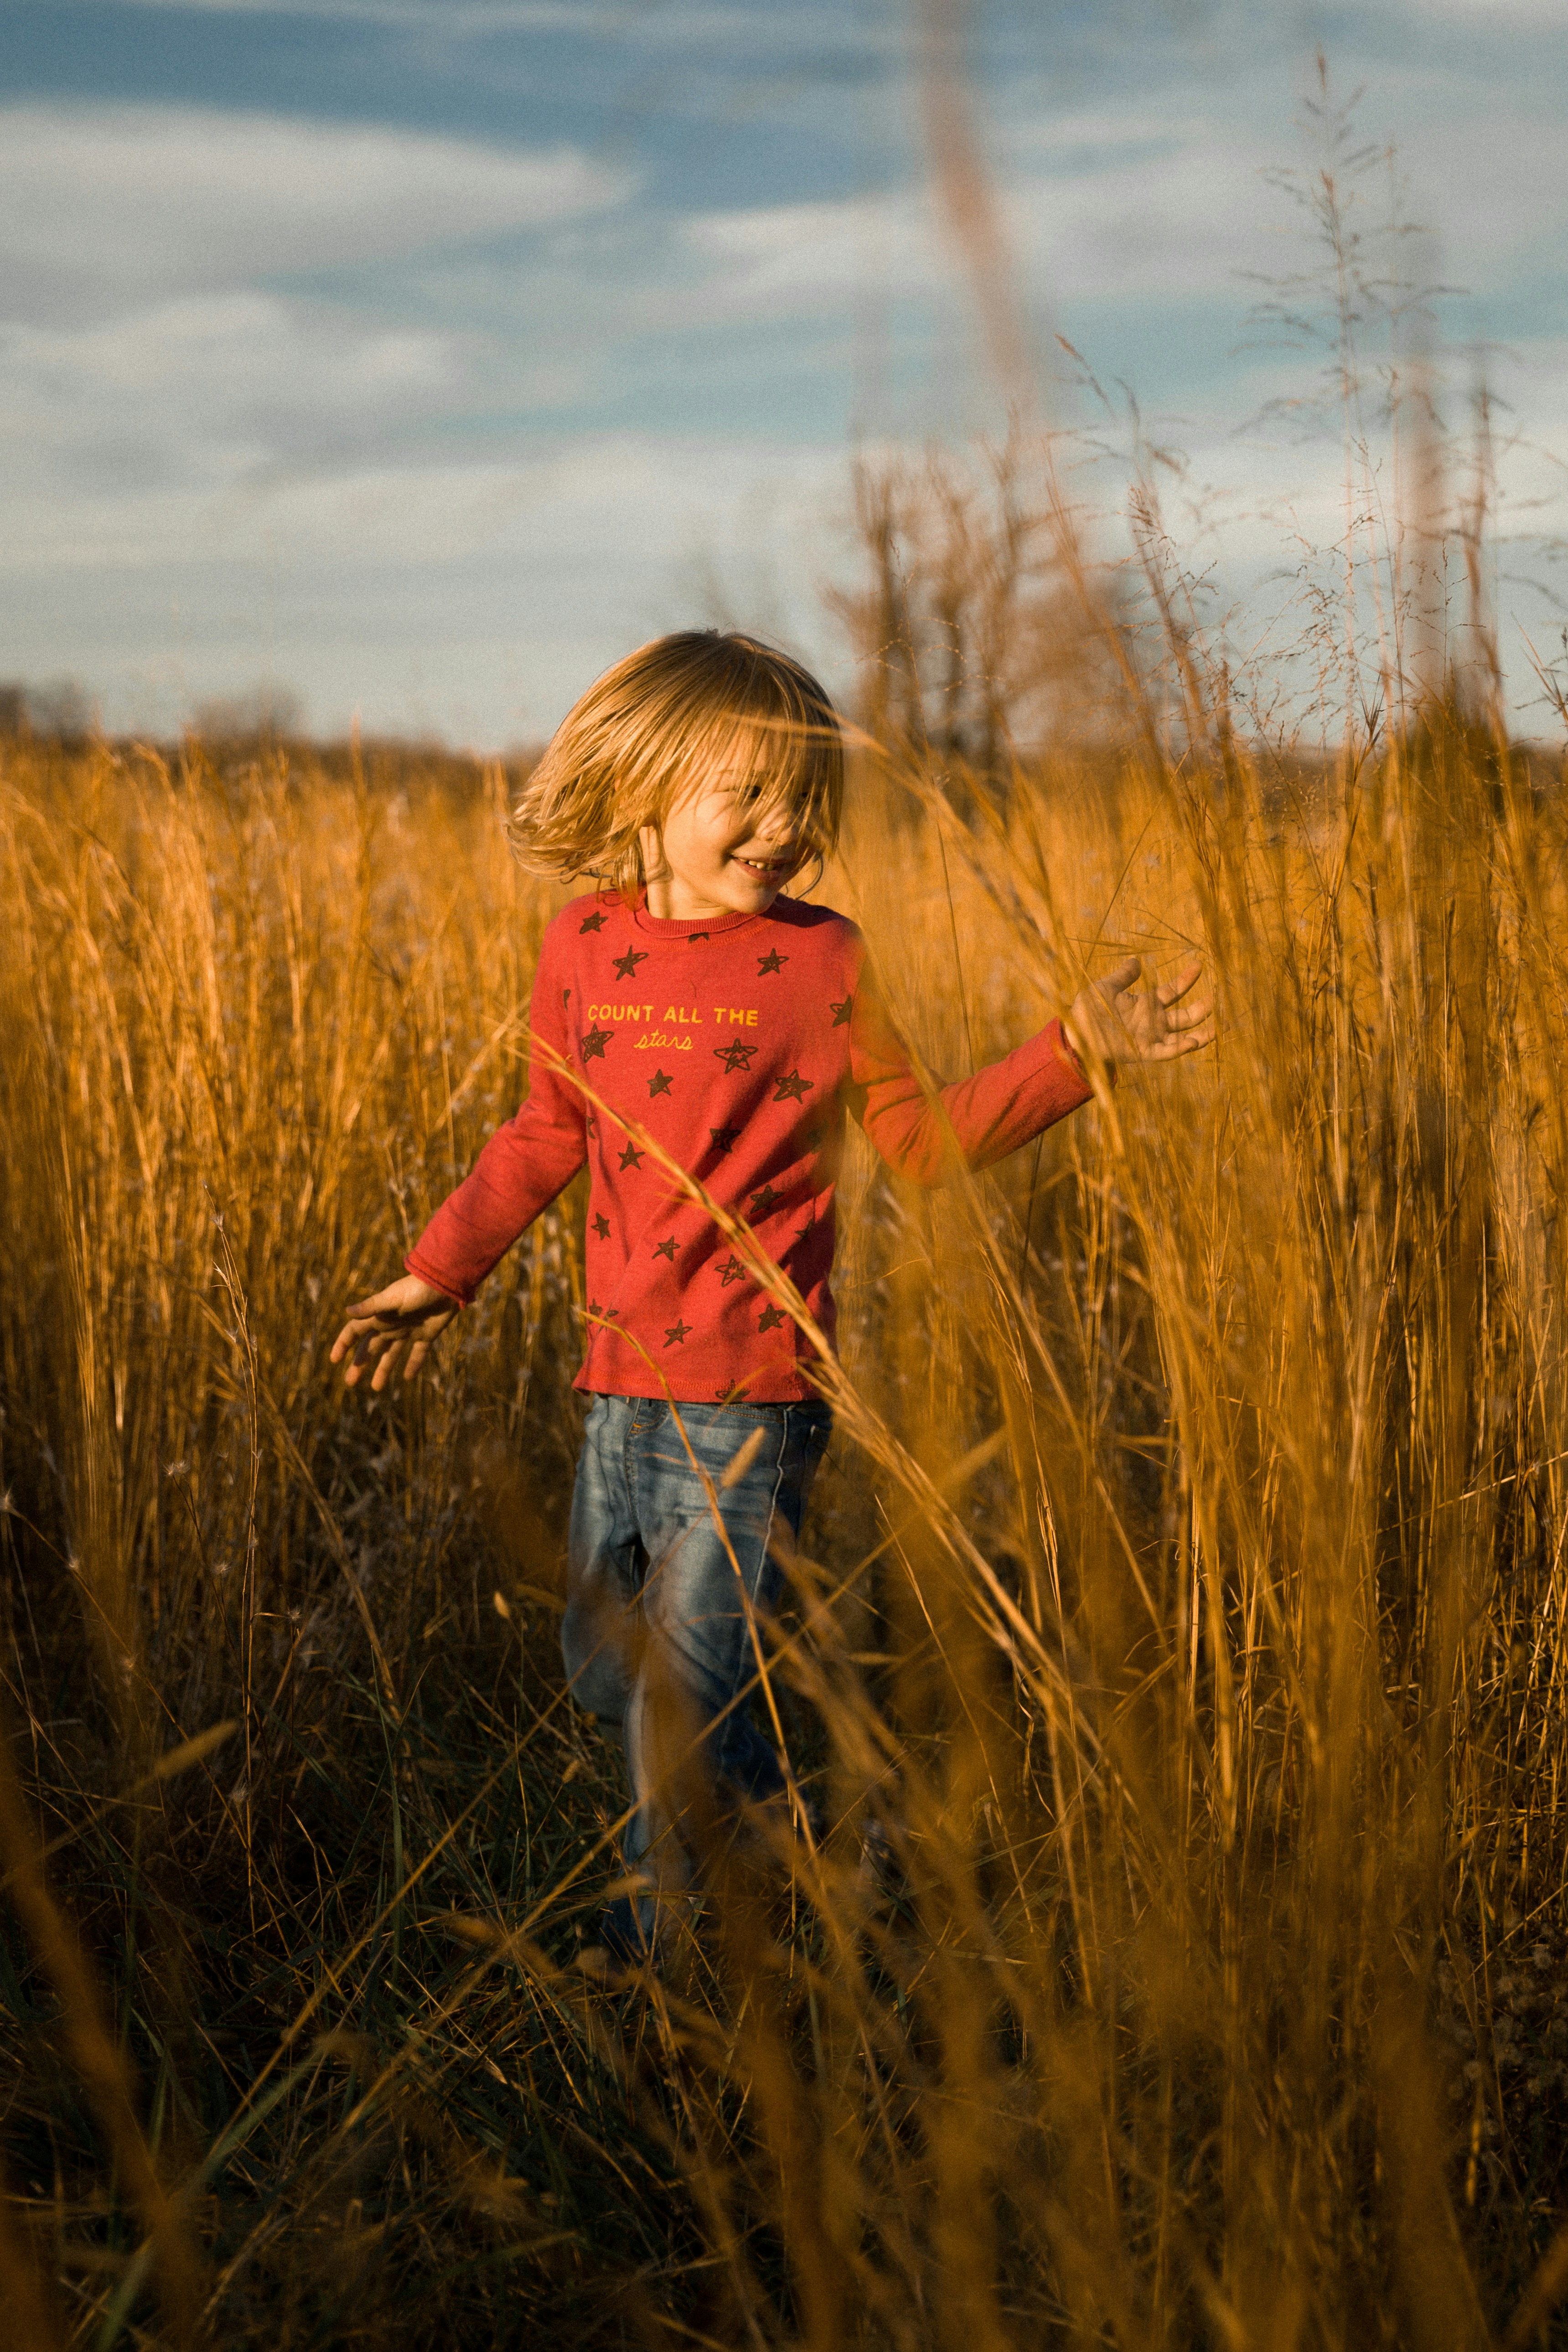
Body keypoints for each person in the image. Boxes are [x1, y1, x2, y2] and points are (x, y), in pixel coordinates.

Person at [330, 631, 1211, 1964]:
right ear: (645, 788)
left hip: (756, 1400)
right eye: (745, 792)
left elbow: (921, 1139)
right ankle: (797, 1841)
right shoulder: (580, 947)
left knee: (681, 1702)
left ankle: (669, 1980)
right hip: (619, 1387)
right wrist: (437, 1274)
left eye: (805, 799)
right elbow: (542, 1134)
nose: (783, 826)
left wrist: (1075, 1051)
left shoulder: (824, 963)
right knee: (605, 1669)